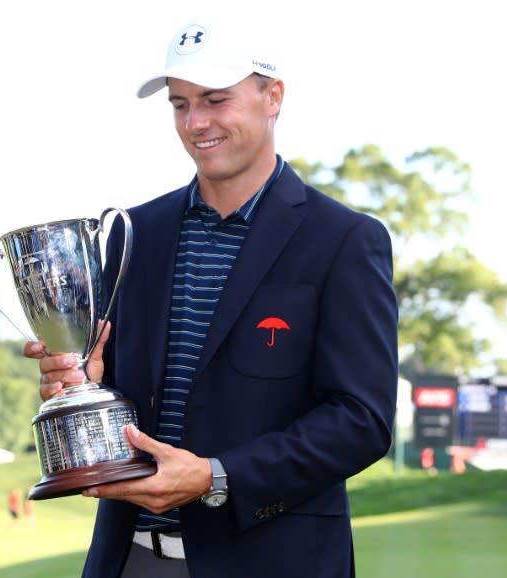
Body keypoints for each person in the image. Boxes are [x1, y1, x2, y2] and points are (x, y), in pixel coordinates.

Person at [23, 14, 398, 578]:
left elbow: (360, 419)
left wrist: (217, 475)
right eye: (180, 104)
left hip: (273, 562)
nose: (196, 122)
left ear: (273, 97)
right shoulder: (132, 233)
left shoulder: (343, 240)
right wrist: (81, 383)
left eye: (216, 100)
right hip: (131, 560)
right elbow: (117, 387)